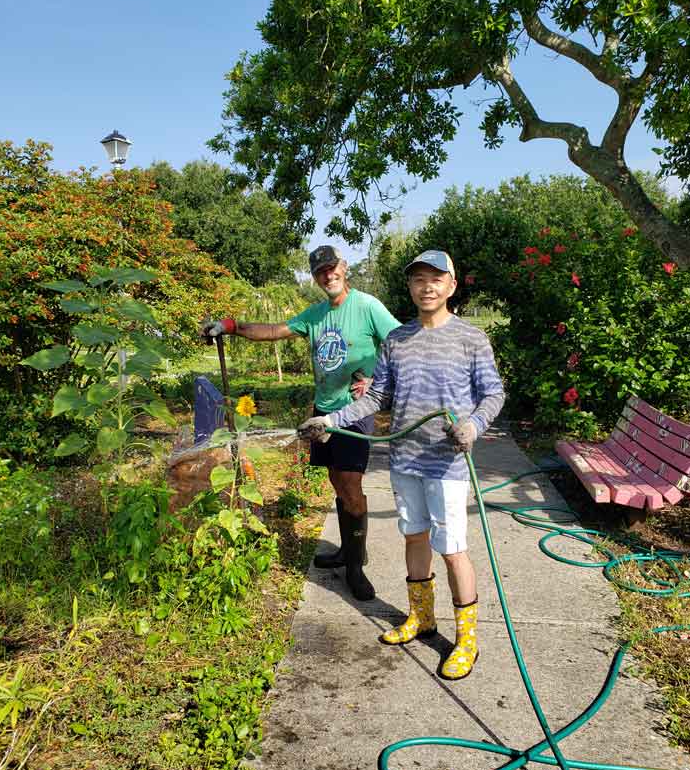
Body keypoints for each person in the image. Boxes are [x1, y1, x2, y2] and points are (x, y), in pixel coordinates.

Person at [298, 250, 505, 680]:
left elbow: (493, 394)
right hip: (404, 459)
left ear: (451, 286)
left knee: (451, 551)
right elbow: (376, 398)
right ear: (410, 288)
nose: (426, 287)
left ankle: (467, 640)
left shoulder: (470, 338)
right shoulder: (397, 340)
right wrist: (330, 420)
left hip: (446, 462)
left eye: (435, 279)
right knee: (414, 538)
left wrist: (473, 425)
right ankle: (421, 618)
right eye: (418, 280)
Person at [200, 245, 400, 601]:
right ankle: (346, 549)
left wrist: (378, 381)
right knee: (337, 480)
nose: (328, 275)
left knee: (351, 485)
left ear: (344, 267)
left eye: (332, 268)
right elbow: (275, 330)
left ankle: (355, 565)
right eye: (321, 271)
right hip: (323, 412)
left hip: (354, 412)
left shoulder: (367, 306)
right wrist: (231, 327)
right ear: (316, 276)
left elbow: (400, 343)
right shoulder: (316, 314)